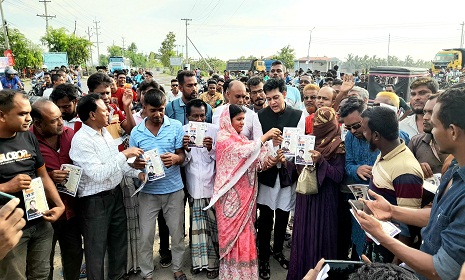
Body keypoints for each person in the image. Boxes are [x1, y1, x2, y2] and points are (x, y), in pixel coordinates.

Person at [356, 89, 465, 280]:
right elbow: (438, 215)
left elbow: (441, 269)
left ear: (453, 131)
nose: (428, 129)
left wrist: (382, 238)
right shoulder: (455, 168)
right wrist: (392, 210)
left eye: (435, 124)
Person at [69, 93, 145, 280]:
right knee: (96, 250)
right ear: (92, 115)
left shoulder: (105, 133)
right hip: (95, 202)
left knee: (118, 243)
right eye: (105, 110)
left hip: (115, 195)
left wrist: (138, 173)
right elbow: (97, 174)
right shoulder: (82, 140)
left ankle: (118, 277)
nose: (110, 113)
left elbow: (117, 166)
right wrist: (124, 154)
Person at [204, 104, 282, 279]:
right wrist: (264, 138)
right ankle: (232, 274)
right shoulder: (224, 138)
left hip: (247, 199)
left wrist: (274, 155)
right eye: (238, 119)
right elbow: (243, 152)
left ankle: (246, 274)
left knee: (246, 235)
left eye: (243, 119)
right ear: (227, 120)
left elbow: (258, 162)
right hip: (230, 199)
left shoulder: (242, 139)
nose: (242, 123)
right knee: (233, 237)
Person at [0, 90, 65, 279]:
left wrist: (59, 204)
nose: (29, 119)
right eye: (22, 114)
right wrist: (6, 187)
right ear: (2, 115)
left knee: (41, 275)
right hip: (10, 228)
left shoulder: (28, 137)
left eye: (29, 113)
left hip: (40, 220)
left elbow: (43, 176)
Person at [129, 89, 187, 280]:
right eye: (153, 110)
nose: (158, 114)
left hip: (174, 190)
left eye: (161, 109)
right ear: (143, 108)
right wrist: (137, 167)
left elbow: (182, 155)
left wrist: (176, 159)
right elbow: (132, 163)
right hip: (148, 192)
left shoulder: (176, 126)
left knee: (177, 234)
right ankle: (147, 273)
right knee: (145, 236)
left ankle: (177, 268)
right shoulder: (136, 133)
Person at [287, 106, 346, 280]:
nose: (317, 130)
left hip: (325, 202)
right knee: (303, 238)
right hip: (305, 198)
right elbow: (300, 170)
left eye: (322, 127)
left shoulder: (338, 146)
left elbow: (338, 176)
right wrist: (287, 163)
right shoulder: (308, 141)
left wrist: (321, 161)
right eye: (315, 126)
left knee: (321, 239)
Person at [360, 106, 423, 263]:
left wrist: (393, 268)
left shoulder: (405, 169)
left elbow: (408, 229)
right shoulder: (386, 154)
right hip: (377, 241)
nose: (363, 134)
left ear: (376, 135)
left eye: (364, 130)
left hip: (389, 254)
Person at [256, 78, 305, 279]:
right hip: (267, 173)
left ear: (285, 94)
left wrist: (285, 146)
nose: (272, 102)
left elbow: (301, 145)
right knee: (266, 216)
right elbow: (256, 144)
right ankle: (264, 258)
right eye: (269, 99)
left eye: (276, 97)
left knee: (283, 215)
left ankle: (278, 251)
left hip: (286, 173)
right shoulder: (260, 116)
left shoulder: (298, 116)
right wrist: (270, 147)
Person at [30, 99, 83, 280]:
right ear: (38, 124)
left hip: (71, 211)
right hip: (44, 213)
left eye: (60, 117)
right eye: (54, 120)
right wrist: (49, 177)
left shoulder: (71, 134)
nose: (61, 123)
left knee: (74, 254)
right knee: (44, 262)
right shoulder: (27, 141)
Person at [181, 99, 220, 278]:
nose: (199, 119)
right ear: (188, 116)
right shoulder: (183, 132)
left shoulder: (214, 131)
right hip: (194, 188)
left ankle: (213, 264)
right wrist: (186, 149)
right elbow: (184, 161)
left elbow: (220, 158)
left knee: (213, 228)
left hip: (211, 187)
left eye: (202, 115)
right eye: (195, 116)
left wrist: (211, 148)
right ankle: (198, 263)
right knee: (197, 228)